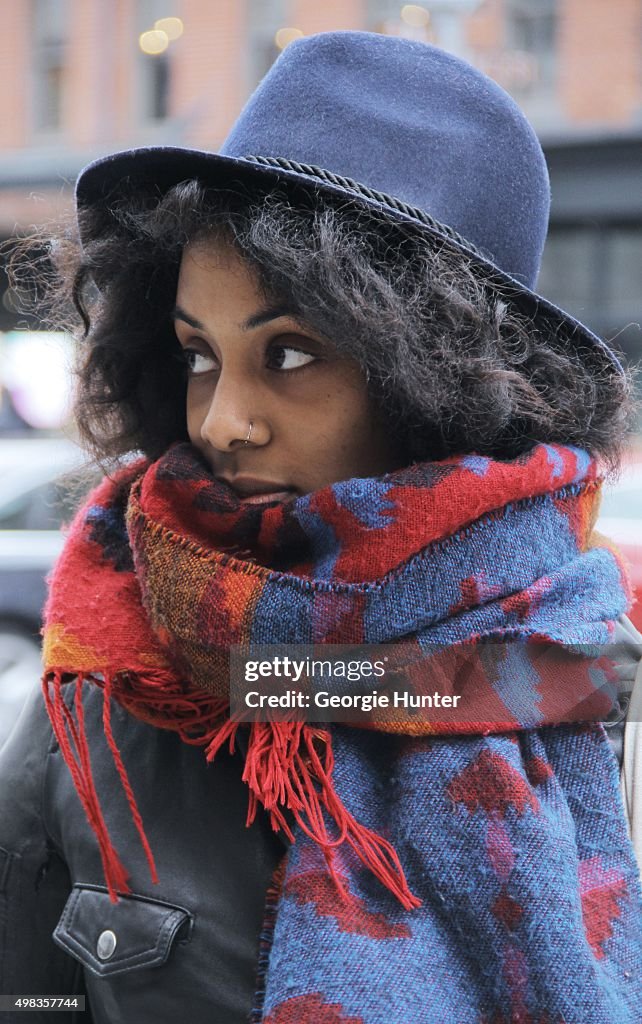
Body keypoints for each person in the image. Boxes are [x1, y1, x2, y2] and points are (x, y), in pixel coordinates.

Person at [2, 30, 642, 1024]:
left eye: (291, 355)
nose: (221, 420)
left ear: (443, 382)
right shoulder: (103, 686)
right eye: (198, 353)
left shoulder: (601, 672)